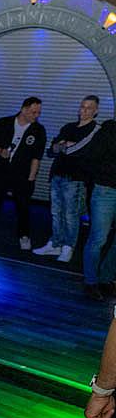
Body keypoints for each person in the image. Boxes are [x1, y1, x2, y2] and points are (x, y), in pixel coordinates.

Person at [34, 95, 100, 263]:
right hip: (57, 175)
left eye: (89, 108)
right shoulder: (69, 127)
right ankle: (55, 243)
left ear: (95, 111)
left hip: (76, 179)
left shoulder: (95, 130)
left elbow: (78, 151)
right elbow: (52, 149)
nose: (84, 110)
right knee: (56, 212)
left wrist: (64, 146)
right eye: (82, 106)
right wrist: (64, 145)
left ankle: (68, 247)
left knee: (71, 215)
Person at [0, 97, 47, 249]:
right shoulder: (4, 122)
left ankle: (24, 236)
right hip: (0, 171)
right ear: (23, 109)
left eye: (38, 113)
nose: (36, 115)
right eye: (34, 112)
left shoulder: (39, 130)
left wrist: (31, 178)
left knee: (23, 206)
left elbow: (37, 157)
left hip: (22, 175)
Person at [83, 117, 116, 300]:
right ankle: (91, 282)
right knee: (98, 238)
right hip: (106, 190)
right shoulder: (108, 130)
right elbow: (91, 158)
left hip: (107, 188)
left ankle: (106, 278)